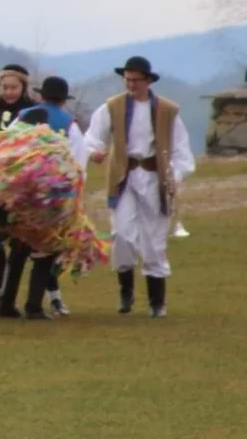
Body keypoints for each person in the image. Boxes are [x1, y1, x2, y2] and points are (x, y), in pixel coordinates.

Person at [83, 56, 196, 318]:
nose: (131, 84)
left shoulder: (167, 111)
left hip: (155, 178)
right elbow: (93, 136)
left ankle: (157, 301)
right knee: (122, 233)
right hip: (124, 176)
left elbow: (181, 149)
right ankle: (126, 290)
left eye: (136, 80)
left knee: (153, 239)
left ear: (148, 80)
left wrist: (175, 175)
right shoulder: (113, 106)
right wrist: (94, 152)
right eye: (127, 80)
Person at [2, 76, 86, 319]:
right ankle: (34, 306)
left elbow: (4, 146)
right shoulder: (69, 124)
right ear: (63, 100)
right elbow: (78, 164)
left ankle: (6, 303)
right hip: (51, 195)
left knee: (18, 248)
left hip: (20, 192)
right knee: (43, 250)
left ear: (41, 96)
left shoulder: (22, 116)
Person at [0, 63, 35, 312]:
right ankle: (0, 292)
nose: (9, 92)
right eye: (5, 87)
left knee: (23, 242)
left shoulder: (32, 111)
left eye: (14, 87)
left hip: (22, 184)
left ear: (23, 87)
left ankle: (39, 296)